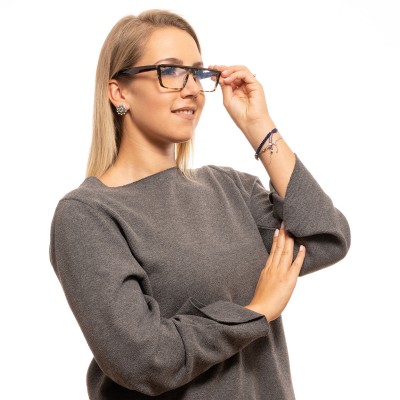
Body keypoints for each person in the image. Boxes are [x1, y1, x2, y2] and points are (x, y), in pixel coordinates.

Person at [49, 9, 351, 400]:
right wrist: (256, 311)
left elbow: (325, 237)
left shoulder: (231, 188)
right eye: (171, 71)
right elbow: (142, 360)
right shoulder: (87, 215)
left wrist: (258, 126)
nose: (192, 88)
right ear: (119, 92)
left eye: (197, 73)